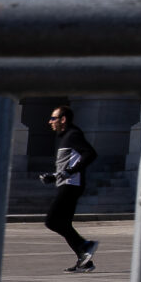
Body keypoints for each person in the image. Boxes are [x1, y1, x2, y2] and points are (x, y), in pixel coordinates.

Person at [38, 105, 98, 272]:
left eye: (53, 118)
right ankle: (84, 260)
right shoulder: (67, 137)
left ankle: (85, 245)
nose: (50, 122)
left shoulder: (73, 134)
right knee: (64, 223)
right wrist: (53, 176)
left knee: (52, 221)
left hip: (71, 185)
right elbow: (68, 164)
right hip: (68, 184)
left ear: (63, 119)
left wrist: (70, 172)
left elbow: (90, 153)